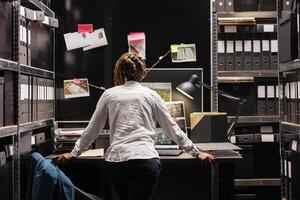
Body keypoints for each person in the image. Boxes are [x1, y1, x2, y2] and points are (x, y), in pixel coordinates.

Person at [57, 53, 214, 200]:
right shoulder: (151, 95)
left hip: (118, 162)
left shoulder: (109, 94)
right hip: (146, 161)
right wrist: (195, 152)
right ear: (143, 73)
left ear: (120, 72)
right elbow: (171, 128)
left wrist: (74, 153)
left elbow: (93, 128)